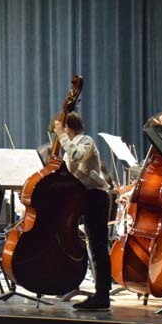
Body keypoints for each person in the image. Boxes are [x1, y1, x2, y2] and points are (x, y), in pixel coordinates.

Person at [53, 112, 112, 311]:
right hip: (83, 198)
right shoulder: (70, 146)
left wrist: (61, 135)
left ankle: (102, 296)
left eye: (60, 131)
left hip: (95, 197)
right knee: (90, 246)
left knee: (98, 248)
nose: (58, 136)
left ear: (68, 127)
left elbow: (76, 156)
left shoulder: (85, 141)